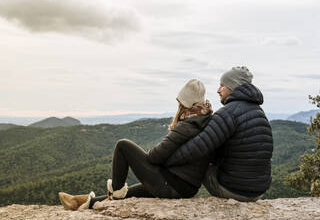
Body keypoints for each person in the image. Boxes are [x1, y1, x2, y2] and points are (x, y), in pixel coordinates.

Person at [58, 79, 213, 210]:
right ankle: (84, 202)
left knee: (123, 146)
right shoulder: (203, 122)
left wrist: (149, 156)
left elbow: (154, 157)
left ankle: (115, 191)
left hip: (172, 185)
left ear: (183, 103)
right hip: (183, 186)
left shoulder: (187, 126)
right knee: (130, 192)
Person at [165, 66, 273, 202]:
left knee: (200, 162)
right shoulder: (258, 112)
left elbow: (196, 148)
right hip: (258, 190)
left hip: (237, 191)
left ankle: (171, 189)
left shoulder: (228, 113)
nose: (218, 90)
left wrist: (167, 160)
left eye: (222, 85)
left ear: (233, 87)